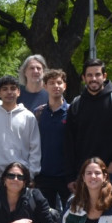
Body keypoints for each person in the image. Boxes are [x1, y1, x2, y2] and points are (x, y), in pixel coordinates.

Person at [65, 59, 112, 192]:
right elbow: (69, 143)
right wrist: (70, 177)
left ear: (104, 76)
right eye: (89, 75)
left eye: (97, 74)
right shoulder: (76, 104)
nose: (94, 78)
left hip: (110, 175)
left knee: (111, 213)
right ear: (84, 78)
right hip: (82, 176)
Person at [0, 75, 40, 196]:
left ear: (19, 92)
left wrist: (30, 175)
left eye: (12, 88)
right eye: (5, 89)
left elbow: (35, 148)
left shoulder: (28, 117)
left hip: (20, 178)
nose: (9, 92)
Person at [33, 69, 70, 212]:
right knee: (46, 216)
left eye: (59, 82)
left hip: (67, 175)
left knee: (71, 214)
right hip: (44, 174)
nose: (56, 86)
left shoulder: (72, 111)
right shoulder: (38, 113)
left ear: (65, 86)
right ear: (45, 86)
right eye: (52, 83)